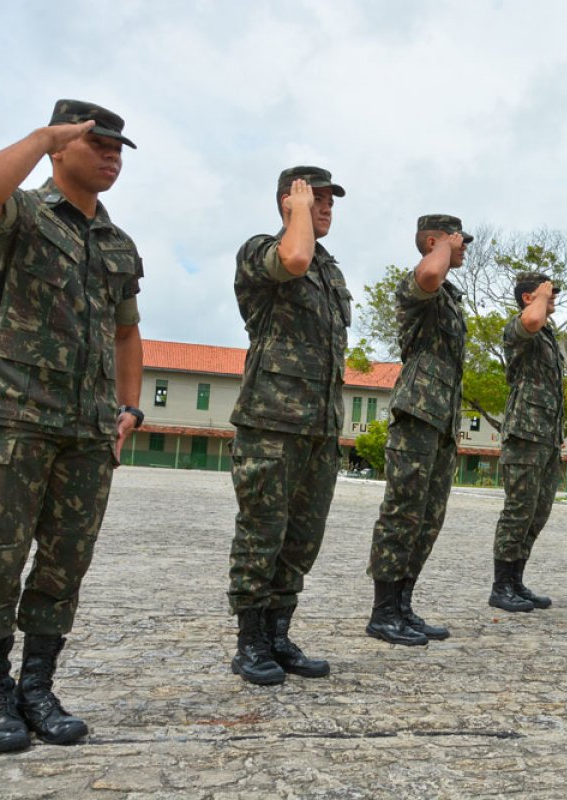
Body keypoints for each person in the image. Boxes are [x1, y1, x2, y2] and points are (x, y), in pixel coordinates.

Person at [0, 99, 144, 752]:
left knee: (65, 566)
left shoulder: (118, 243)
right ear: (62, 147)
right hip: (18, 417)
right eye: (99, 144)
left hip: (90, 432)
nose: (113, 156)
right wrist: (41, 137)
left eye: (119, 149)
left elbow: (126, 331)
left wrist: (129, 409)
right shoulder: (24, 213)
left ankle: (37, 687)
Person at [226, 166, 351, 685]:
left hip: (319, 428)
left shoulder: (330, 271)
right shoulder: (262, 250)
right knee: (262, 535)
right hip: (272, 424)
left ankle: (279, 635)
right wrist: (296, 213)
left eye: (329, 201)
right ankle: (250, 642)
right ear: (288, 201)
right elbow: (294, 258)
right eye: (314, 198)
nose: (325, 207)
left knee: (301, 540)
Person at [365, 214, 469, 646]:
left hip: (442, 418)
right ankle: (383, 612)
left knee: (428, 517)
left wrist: (447, 246)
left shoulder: (449, 296)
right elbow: (429, 274)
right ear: (432, 242)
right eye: (457, 239)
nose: (464, 246)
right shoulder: (419, 284)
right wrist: (442, 247)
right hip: (417, 413)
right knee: (403, 512)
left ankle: (403, 605)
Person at [488, 272, 563, 613]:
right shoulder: (519, 326)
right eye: (547, 292)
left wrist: (542, 297)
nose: (553, 297)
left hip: (547, 435)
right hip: (524, 433)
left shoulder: (547, 334)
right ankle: (501, 586)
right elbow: (531, 319)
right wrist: (540, 299)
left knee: (538, 511)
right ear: (527, 298)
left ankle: (516, 580)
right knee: (518, 510)